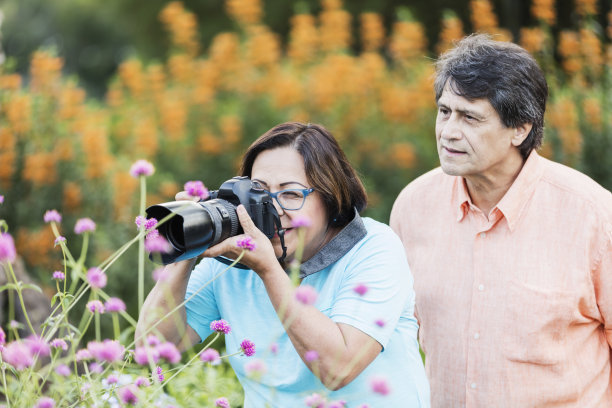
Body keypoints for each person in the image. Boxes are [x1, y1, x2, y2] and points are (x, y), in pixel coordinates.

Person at [137, 122, 430, 407]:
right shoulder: (233, 258)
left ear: (331, 197)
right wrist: (186, 248)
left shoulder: (373, 248)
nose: (273, 209)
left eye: (291, 194)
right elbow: (153, 351)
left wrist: (268, 270)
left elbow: (338, 368)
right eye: (259, 192)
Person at [390, 33, 612, 407]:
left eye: (469, 117)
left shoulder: (594, 215)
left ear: (520, 129)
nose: (448, 132)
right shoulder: (413, 206)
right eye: (444, 111)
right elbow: (395, 339)